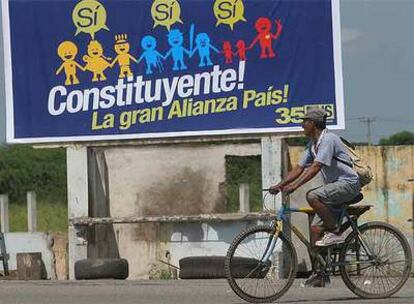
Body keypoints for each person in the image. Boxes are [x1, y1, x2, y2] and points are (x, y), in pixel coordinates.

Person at [269, 107, 361, 286]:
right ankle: (320, 273)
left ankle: (335, 232)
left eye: (304, 122)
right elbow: (299, 168)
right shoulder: (313, 145)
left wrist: (295, 186)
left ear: (313, 123)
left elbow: (316, 167)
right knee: (316, 230)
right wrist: (280, 186)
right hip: (335, 188)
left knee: (312, 195)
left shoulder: (328, 139)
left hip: (348, 184)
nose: (302, 125)